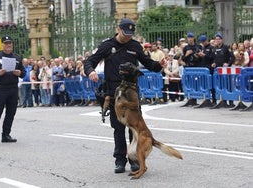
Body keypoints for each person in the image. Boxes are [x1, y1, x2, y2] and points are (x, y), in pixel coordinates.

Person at [84, 18, 166, 174]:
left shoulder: (135, 46)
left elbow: (148, 63)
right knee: (118, 128)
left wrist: (159, 66)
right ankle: (120, 160)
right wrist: (91, 71)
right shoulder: (107, 46)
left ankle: (134, 159)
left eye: (130, 33)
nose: (128, 36)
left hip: (131, 93)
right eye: (125, 33)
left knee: (134, 128)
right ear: (118, 29)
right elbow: (90, 61)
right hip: (114, 93)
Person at [0, 36, 25, 145]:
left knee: (11, 113)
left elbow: (23, 72)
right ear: (2, 45)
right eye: (6, 43)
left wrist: (20, 73)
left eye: (10, 43)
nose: (8, 45)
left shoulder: (17, 57)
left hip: (13, 88)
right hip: (0, 88)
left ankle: (6, 134)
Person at [181, 32, 202, 107]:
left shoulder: (198, 46)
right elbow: (183, 59)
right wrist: (187, 54)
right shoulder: (186, 48)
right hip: (189, 67)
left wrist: (198, 56)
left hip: (196, 67)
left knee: (196, 83)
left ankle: (195, 99)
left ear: (193, 38)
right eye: (188, 38)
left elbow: (202, 57)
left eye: (191, 37)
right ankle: (190, 98)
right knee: (189, 83)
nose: (190, 39)